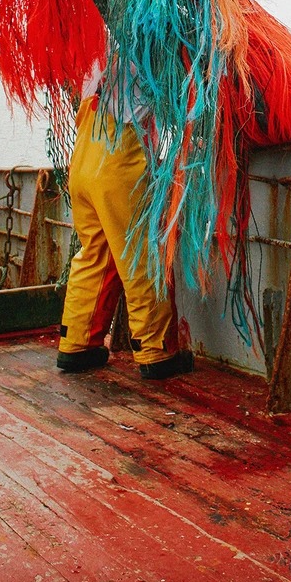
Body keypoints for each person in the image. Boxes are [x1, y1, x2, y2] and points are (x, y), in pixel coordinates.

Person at [56, 63, 194, 380]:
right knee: (140, 254)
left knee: (96, 254)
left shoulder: (97, 49)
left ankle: (77, 345)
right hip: (118, 162)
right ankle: (157, 353)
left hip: (84, 160)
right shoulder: (143, 44)